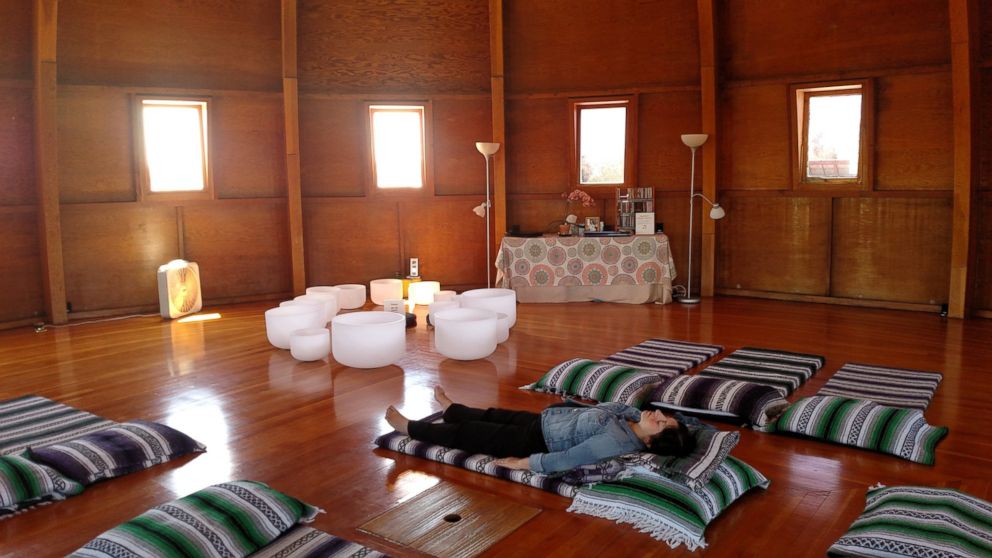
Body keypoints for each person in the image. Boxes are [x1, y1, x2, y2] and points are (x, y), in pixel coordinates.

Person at [385, 386, 694, 475]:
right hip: (545, 420)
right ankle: (452, 409)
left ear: (652, 442)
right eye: (666, 416)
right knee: (491, 413)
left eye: (663, 423)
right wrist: (640, 413)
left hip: (535, 440)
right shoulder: (631, 420)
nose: (660, 415)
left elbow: (570, 458)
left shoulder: (615, 442)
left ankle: (411, 428)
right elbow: (614, 406)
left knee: (468, 432)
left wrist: (526, 463)